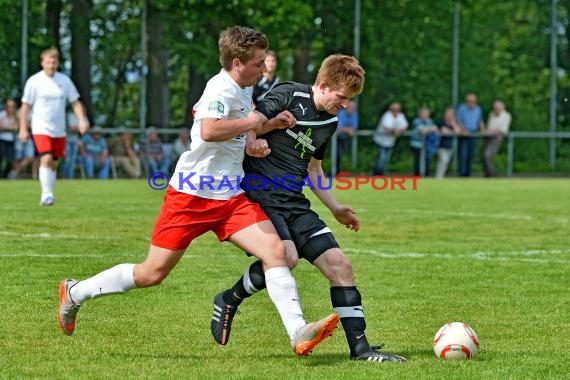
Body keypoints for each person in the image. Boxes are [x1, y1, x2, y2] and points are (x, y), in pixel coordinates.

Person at [57, 26, 338, 357]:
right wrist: (251, 126)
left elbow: (243, 127)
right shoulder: (220, 89)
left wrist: (264, 132)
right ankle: (75, 293)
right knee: (151, 274)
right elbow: (209, 130)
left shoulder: (243, 87)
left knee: (278, 253)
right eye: (259, 63)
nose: (264, 69)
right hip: (191, 195)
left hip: (230, 198)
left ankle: (297, 332)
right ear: (237, 63)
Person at [210, 54, 406, 363]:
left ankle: (361, 350)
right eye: (342, 97)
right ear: (324, 85)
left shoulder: (330, 122)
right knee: (285, 258)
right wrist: (251, 141)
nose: (345, 105)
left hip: (294, 202)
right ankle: (231, 299)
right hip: (261, 196)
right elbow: (252, 120)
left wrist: (336, 207)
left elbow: (314, 169)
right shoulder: (289, 93)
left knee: (341, 266)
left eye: (350, 100)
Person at [19, 47, 88, 205]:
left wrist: (82, 120)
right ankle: (46, 194)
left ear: (57, 63)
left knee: (54, 162)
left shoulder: (64, 81)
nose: (51, 65)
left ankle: (49, 192)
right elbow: (25, 107)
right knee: (46, 157)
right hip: (40, 127)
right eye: (48, 62)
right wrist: (23, 128)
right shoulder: (34, 81)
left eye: (54, 62)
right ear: (42, 62)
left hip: (59, 129)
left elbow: (75, 103)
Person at [372, 102, 408, 175]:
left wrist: (398, 131)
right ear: (391, 109)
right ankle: (377, 174)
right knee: (382, 158)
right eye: (394, 109)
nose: (395, 111)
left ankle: (380, 173)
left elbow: (405, 126)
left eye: (397, 109)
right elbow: (386, 128)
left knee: (386, 159)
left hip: (390, 142)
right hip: (381, 141)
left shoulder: (401, 116)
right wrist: (396, 131)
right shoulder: (387, 115)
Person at [456, 93, 485, 177]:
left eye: (473, 101)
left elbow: (479, 120)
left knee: (470, 154)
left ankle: (467, 174)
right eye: (469, 101)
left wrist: (483, 130)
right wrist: (463, 130)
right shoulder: (462, 108)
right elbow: (458, 120)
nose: (471, 103)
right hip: (464, 133)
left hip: (473, 133)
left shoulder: (478, 109)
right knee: (463, 154)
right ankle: (462, 174)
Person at [483, 100, 511, 177]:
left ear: (502, 108)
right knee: (486, 156)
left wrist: (494, 131)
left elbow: (503, 130)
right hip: (488, 137)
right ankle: (488, 174)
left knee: (487, 155)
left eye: (498, 108)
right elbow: (489, 127)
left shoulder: (506, 115)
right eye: (495, 108)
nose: (496, 110)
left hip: (497, 138)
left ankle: (494, 174)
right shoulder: (491, 114)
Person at [410, 107, 439, 176]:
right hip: (417, 145)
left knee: (427, 161)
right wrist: (430, 129)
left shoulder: (429, 121)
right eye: (423, 114)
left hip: (426, 145)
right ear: (420, 114)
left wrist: (428, 129)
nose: (425, 115)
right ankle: (417, 176)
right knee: (418, 161)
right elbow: (422, 131)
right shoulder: (416, 121)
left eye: (426, 114)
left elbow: (435, 129)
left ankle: (426, 175)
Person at [60, 109, 88, 179]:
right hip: (66, 140)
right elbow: (71, 128)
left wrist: (78, 127)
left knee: (73, 160)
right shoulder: (70, 115)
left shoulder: (83, 116)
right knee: (67, 160)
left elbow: (86, 128)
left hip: (75, 140)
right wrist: (80, 127)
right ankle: (63, 176)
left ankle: (70, 178)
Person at [435, 107, 462, 179]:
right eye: (448, 114)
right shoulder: (441, 122)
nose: (450, 115)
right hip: (441, 146)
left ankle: (440, 177)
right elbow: (442, 131)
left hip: (451, 146)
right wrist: (451, 132)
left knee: (446, 162)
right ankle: (438, 178)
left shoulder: (454, 122)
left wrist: (453, 124)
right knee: (443, 161)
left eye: (451, 114)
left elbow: (458, 131)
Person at [335, 100, 358, 174]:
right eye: (350, 107)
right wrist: (348, 130)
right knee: (337, 155)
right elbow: (339, 128)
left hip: (345, 138)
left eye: (353, 108)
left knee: (341, 155)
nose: (352, 110)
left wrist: (347, 130)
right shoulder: (341, 113)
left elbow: (354, 127)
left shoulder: (355, 114)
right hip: (336, 138)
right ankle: (335, 172)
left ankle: (339, 172)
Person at [0, 98, 19, 178]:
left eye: (12, 106)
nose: (10, 108)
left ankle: (5, 175)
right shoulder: (2, 114)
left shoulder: (16, 116)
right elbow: (0, 127)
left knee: (10, 160)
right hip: (1, 140)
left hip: (11, 141)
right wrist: (11, 128)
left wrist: (6, 127)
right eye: (9, 106)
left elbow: (17, 128)